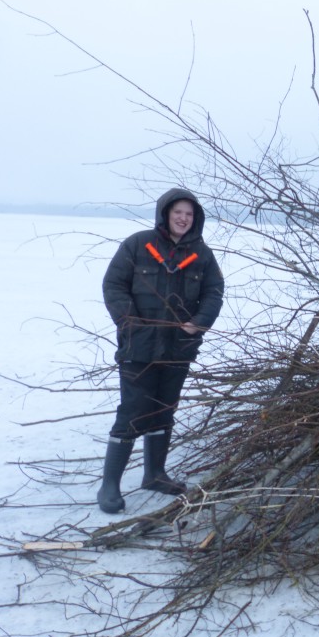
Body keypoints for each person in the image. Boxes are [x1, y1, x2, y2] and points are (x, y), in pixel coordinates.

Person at [98, 188, 225, 514]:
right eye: (178, 212)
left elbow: (214, 291)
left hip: (178, 347)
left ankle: (154, 474)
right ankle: (109, 484)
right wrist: (131, 322)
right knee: (133, 411)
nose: (183, 218)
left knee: (164, 409)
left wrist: (197, 324)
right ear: (165, 213)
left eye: (189, 214)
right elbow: (113, 284)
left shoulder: (202, 253)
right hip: (138, 345)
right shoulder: (138, 245)